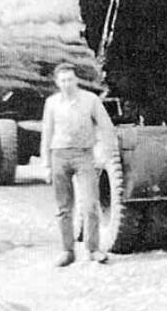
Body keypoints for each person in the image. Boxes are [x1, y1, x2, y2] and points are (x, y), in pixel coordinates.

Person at [40, 63, 114, 267]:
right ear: (57, 82)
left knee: (90, 204)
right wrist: (46, 164)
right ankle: (67, 251)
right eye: (63, 80)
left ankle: (93, 249)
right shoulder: (52, 103)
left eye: (70, 79)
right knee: (64, 208)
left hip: (84, 156)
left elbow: (106, 127)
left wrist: (103, 153)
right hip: (59, 156)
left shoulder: (90, 100)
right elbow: (46, 133)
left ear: (77, 80)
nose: (67, 84)